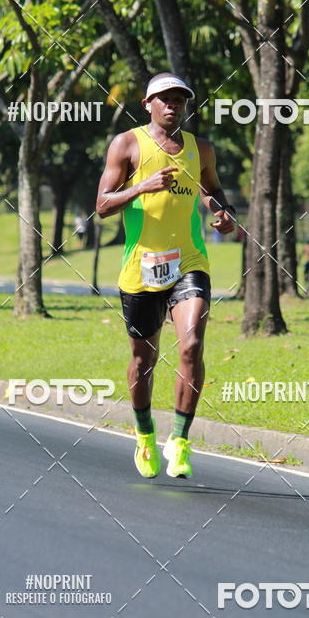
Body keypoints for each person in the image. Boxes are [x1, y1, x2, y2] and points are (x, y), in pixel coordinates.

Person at [96, 73, 235, 479]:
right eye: (164, 99)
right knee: (144, 358)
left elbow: (212, 191)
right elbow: (103, 205)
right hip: (141, 266)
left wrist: (222, 213)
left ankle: (180, 440)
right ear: (148, 104)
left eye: (180, 99)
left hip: (189, 261)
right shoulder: (126, 144)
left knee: (191, 343)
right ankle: (144, 435)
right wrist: (142, 187)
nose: (173, 105)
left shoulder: (200, 149)